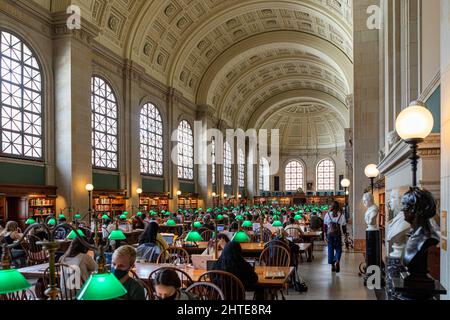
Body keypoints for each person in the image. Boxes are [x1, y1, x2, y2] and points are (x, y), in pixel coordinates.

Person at [323, 201, 347, 273]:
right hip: (338, 234)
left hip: (330, 234)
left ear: (331, 207)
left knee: (330, 249)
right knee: (338, 249)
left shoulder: (327, 214)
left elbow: (325, 226)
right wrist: (345, 235)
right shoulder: (341, 215)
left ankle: (332, 265)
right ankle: (337, 260)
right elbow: (343, 226)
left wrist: (324, 235)